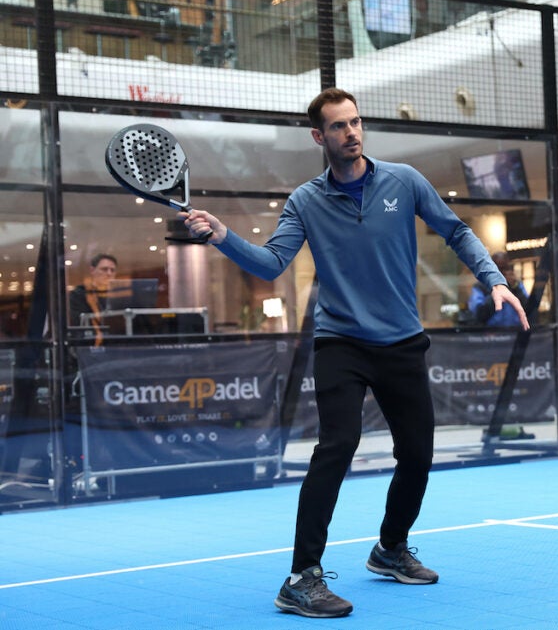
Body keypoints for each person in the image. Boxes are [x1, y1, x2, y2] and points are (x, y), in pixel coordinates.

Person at [181, 88, 528, 619]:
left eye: (356, 122)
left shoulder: (405, 181)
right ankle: (301, 578)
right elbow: (274, 263)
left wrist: (493, 278)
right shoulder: (305, 200)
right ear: (320, 137)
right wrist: (224, 235)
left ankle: (390, 548)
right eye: (339, 127)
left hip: (401, 342)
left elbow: (455, 231)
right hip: (341, 342)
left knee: (417, 455)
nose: (352, 133)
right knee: (336, 447)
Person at [467, 252, 529, 326]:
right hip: (491, 333)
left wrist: (515, 287)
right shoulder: (480, 287)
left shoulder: (516, 285)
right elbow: (479, 314)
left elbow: (528, 309)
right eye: (499, 269)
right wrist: (495, 290)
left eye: (505, 269)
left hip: (515, 331)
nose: (502, 273)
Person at [68, 253, 118, 339]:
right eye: (104, 269)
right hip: (89, 340)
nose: (109, 273)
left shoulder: (119, 294)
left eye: (112, 270)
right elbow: (78, 321)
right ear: (92, 270)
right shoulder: (79, 294)